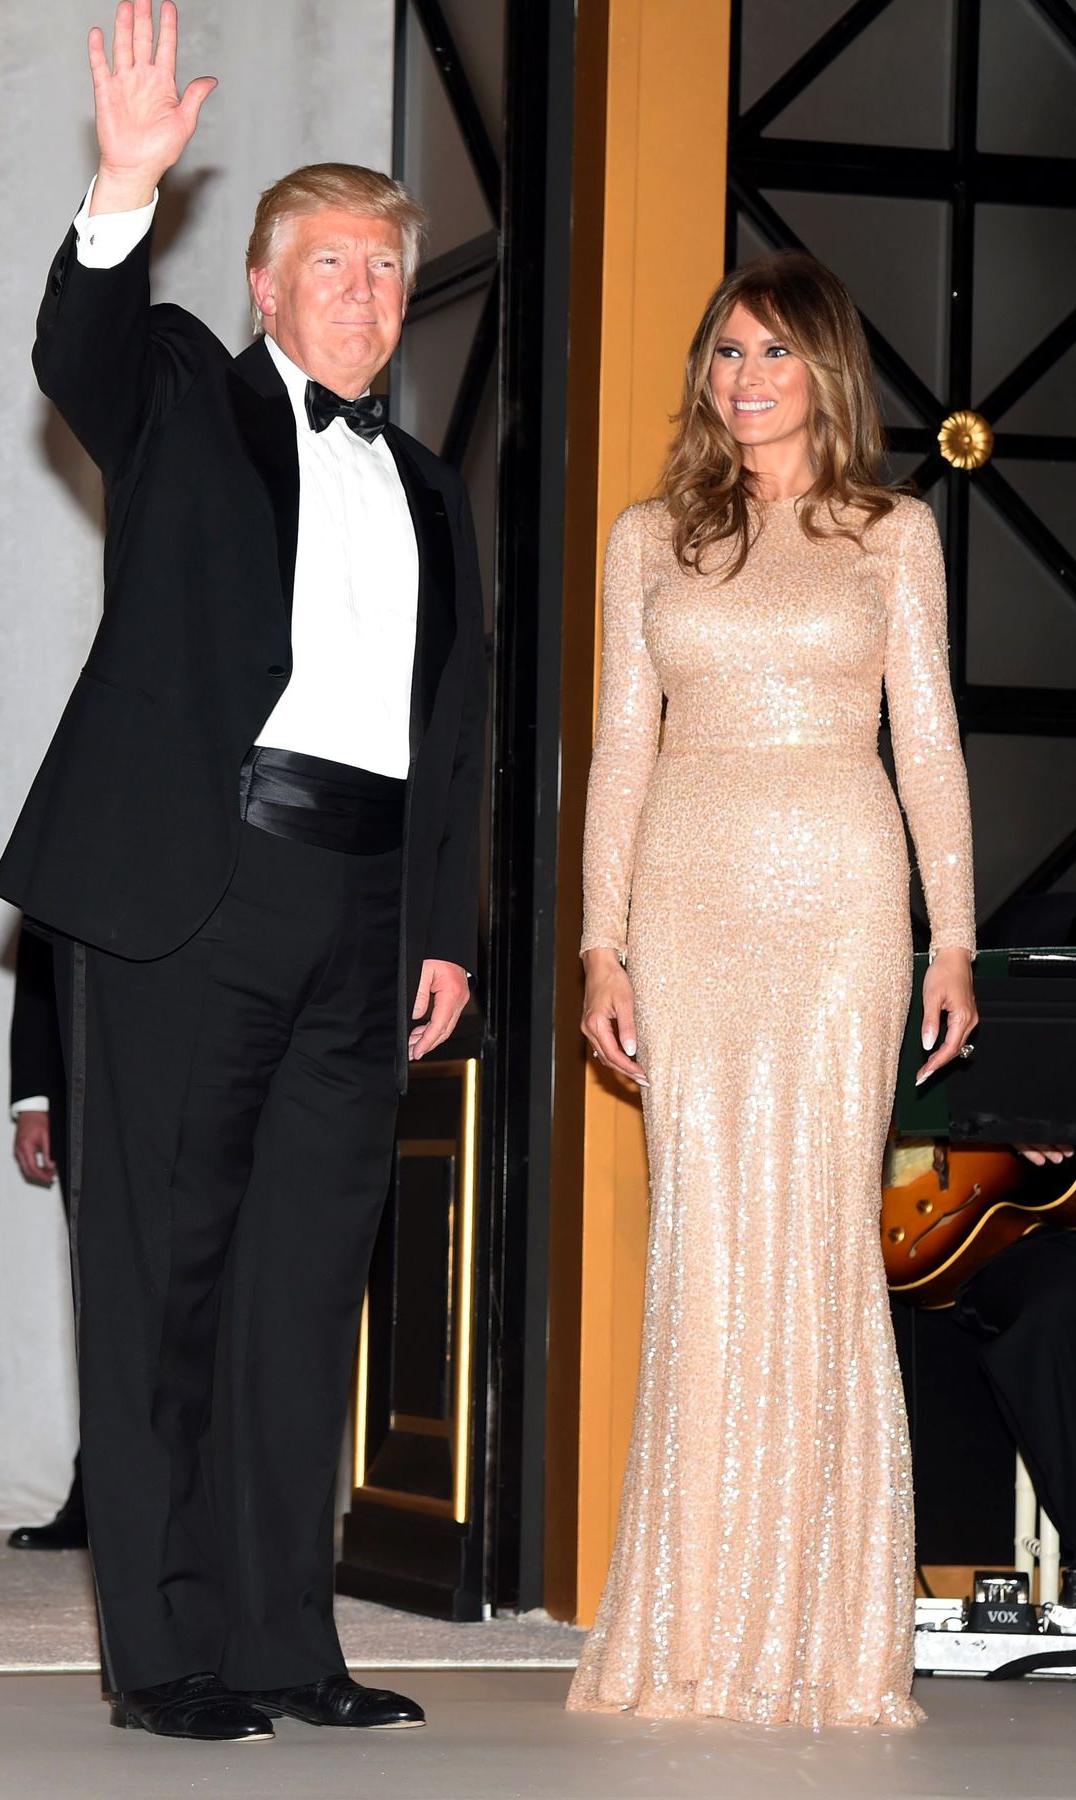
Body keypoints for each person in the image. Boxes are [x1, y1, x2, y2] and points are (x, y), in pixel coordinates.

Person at [0, 0, 484, 1745]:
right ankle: (174, 1654)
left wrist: (444, 933)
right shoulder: (190, 403)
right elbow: (81, 353)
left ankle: (292, 1645)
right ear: (267, 287)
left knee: (299, 1291)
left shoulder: (428, 491)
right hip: (193, 895)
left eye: (383, 269)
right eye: (328, 265)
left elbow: (455, 730)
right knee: (165, 1286)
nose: (360, 291)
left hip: (363, 917)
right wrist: (123, 190)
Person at [570, 251, 977, 1727]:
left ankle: (824, 1630)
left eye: (771, 353)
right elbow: (621, 745)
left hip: (845, 899)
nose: (742, 378)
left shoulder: (894, 533)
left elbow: (925, 739)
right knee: (706, 1232)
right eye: (725, 351)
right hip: (687, 894)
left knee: (813, 1233)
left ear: (826, 372)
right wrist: (599, 941)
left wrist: (955, 938)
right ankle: (691, 1625)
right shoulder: (645, 540)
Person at [6, 923, 88, 1551]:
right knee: (111, 1298)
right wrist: (34, 1098)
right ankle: (100, 1496)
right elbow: (44, 931)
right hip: (88, 1079)